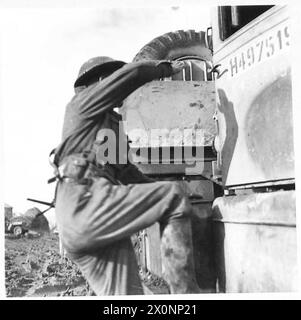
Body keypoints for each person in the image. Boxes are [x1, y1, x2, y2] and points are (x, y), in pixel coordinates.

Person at [51, 56, 201, 295]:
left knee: (126, 296)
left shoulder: (109, 122)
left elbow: (126, 172)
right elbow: (134, 73)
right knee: (173, 196)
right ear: (101, 80)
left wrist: (153, 191)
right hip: (85, 202)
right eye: (112, 77)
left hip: (90, 216)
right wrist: (165, 69)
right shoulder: (82, 103)